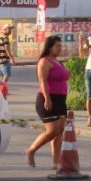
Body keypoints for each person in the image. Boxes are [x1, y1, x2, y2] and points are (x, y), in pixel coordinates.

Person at [26, 35, 69, 169]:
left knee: (60, 131)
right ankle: (31, 150)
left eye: (61, 46)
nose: (60, 48)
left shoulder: (58, 62)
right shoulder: (44, 61)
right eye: (57, 46)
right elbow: (43, 81)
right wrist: (47, 98)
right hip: (47, 99)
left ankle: (56, 162)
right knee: (52, 131)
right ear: (49, 47)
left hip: (61, 100)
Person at [0, 24, 15, 88]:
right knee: (6, 76)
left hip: (0, 60)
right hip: (4, 60)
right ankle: (0, 90)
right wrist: (12, 58)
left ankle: (0, 89)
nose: (10, 31)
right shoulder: (5, 38)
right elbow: (7, 49)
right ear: (6, 29)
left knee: (3, 76)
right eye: (9, 29)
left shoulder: (1, 37)